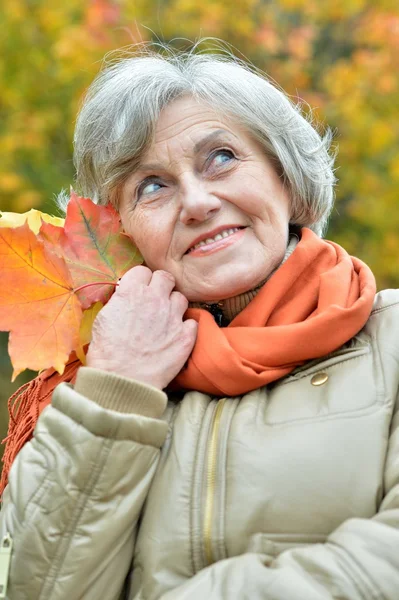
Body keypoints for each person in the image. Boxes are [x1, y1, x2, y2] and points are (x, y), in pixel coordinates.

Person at [0, 43, 398, 600]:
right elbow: (35, 587)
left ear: (285, 176)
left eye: (221, 158)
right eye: (152, 186)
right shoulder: (98, 377)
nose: (196, 201)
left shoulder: (393, 341)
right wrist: (119, 385)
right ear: (122, 235)